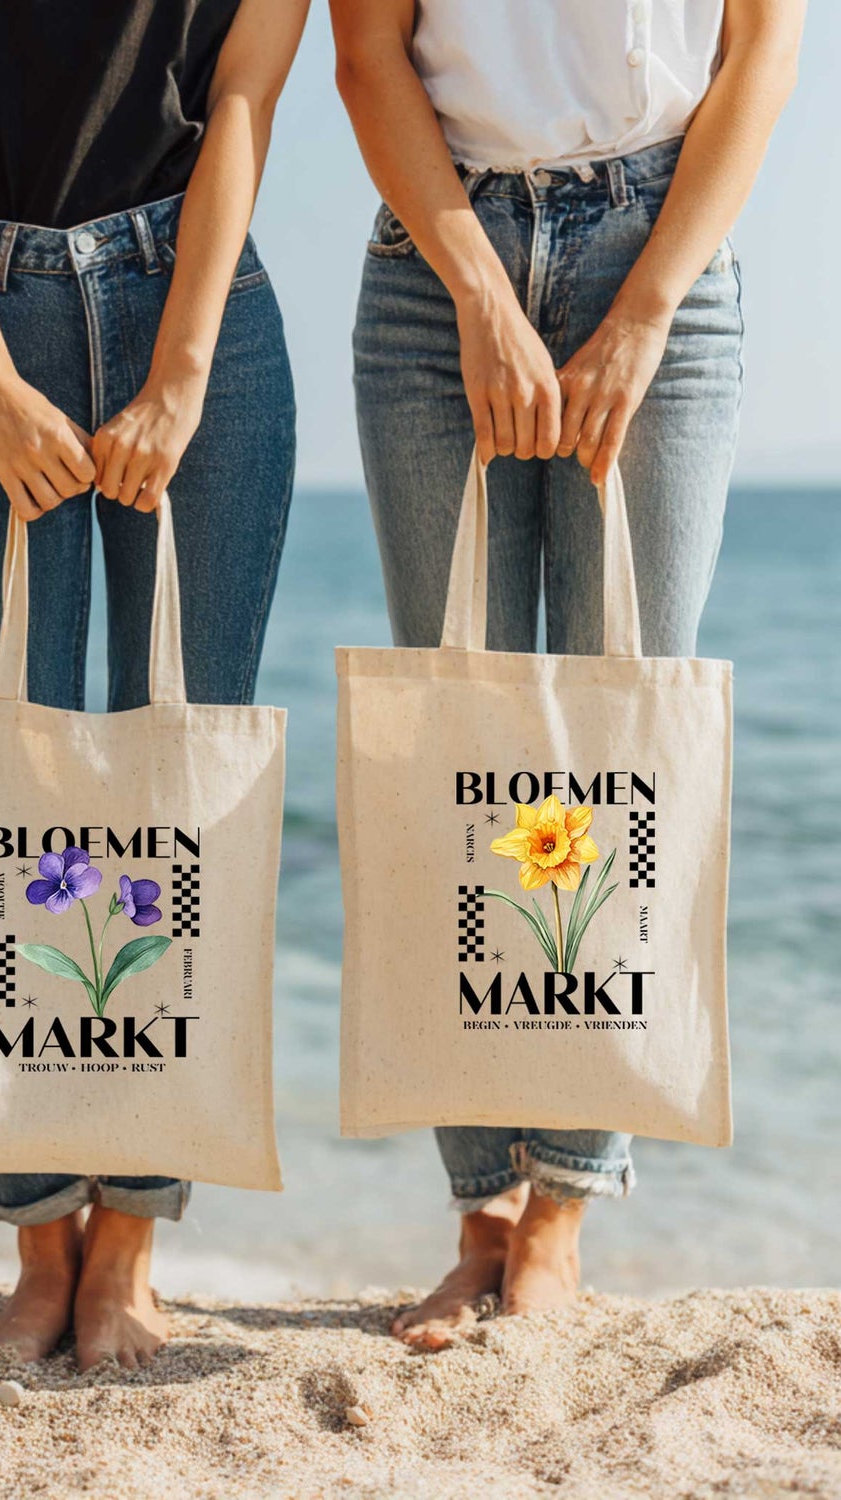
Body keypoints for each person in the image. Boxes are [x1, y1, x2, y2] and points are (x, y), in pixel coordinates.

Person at [330, 0, 803, 1347]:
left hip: (665, 252)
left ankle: (561, 1215)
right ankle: (480, 1211)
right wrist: (482, 291)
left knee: (619, 760)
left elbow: (762, 50)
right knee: (454, 756)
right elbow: (366, 53)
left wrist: (647, 310)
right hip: (439, 260)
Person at [0, 0, 307, 1370]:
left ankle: (128, 1240)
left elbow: (241, 101)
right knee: (1, 799)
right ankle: (35, 1240)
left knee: (175, 805)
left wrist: (180, 372)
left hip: (199, 317)